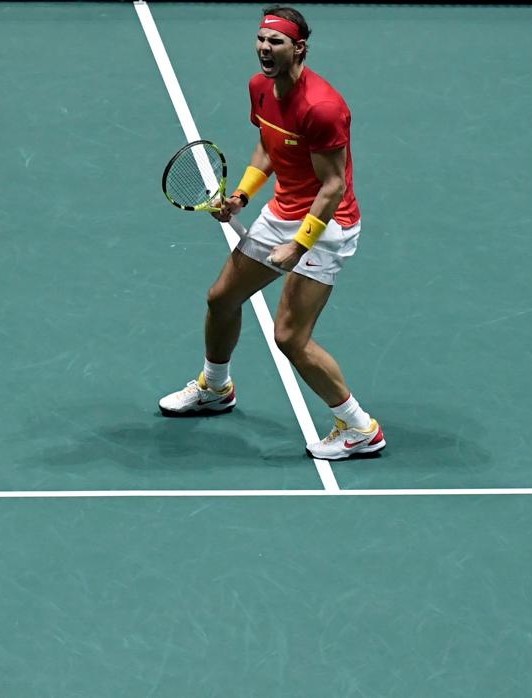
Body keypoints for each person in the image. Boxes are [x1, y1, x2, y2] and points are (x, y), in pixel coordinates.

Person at [158, 5, 385, 461]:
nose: (264, 48)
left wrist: (298, 246)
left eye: (275, 42)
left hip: (326, 226)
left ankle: (360, 428)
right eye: (261, 40)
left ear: (298, 48)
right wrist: (242, 195)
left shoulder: (322, 107)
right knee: (222, 298)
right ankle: (217, 388)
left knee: (289, 337)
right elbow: (268, 143)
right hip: (283, 211)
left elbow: (334, 185)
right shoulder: (260, 87)